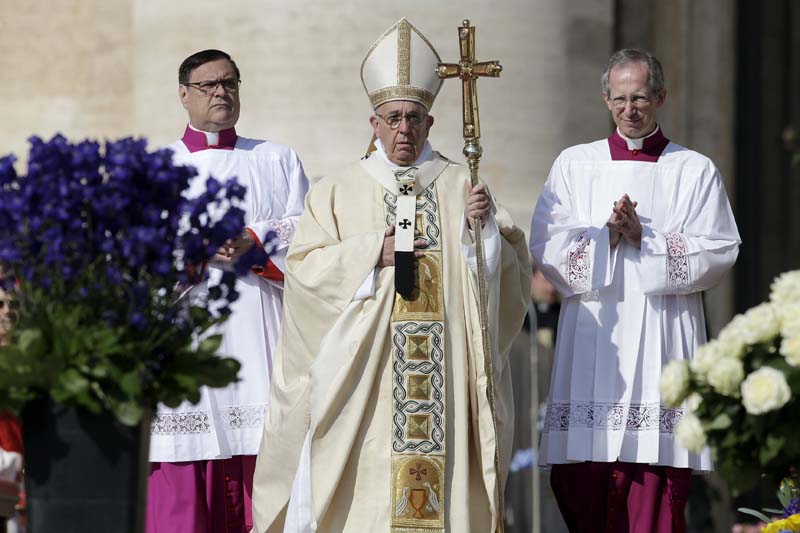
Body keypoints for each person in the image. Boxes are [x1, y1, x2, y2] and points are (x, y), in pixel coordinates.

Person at [251, 18, 530, 533]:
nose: (404, 129)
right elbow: (304, 273)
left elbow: (503, 281)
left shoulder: (459, 186)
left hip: (443, 377)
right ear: (373, 123)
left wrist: (483, 231)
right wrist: (367, 254)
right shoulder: (336, 192)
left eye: (415, 118)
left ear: (430, 122)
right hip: (369, 384)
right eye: (393, 117)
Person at [529, 48, 741, 533]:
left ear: (661, 98)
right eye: (620, 98)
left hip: (663, 340)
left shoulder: (694, 170)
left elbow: (721, 250)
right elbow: (546, 243)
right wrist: (606, 234)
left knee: (654, 492)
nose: (631, 108)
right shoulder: (574, 165)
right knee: (584, 485)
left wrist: (647, 237)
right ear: (606, 99)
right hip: (595, 340)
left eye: (641, 97)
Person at [146, 49, 309, 533]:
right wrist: (188, 253)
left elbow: (312, 233)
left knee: (268, 475)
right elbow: (139, 255)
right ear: (183, 95)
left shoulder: (276, 159)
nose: (222, 92)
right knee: (185, 492)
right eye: (209, 85)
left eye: (230, 83)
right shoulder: (160, 168)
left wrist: (256, 240)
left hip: (263, 333)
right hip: (188, 338)